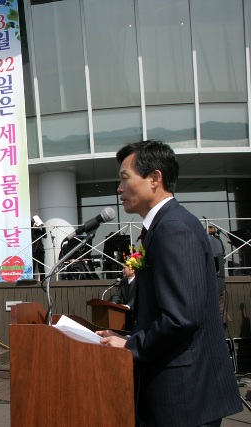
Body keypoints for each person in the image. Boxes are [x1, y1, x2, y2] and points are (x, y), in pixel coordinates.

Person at [97, 140, 241, 426]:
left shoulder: (173, 228)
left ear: (154, 179)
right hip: (183, 393)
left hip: (185, 396)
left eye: (125, 178)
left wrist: (130, 346)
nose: (119, 188)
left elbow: (181, 316)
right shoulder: (165, 225)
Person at [207, 225, 231, 326]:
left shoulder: (211, 243)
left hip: (215, 282)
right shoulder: (217, 242)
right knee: (220, 310)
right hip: (219, 281)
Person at [31, 215, 47, 281]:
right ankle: (33, 280)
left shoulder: (38, 231)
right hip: (33, 251)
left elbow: (45, 235)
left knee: (41, 268)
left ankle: (43, 281)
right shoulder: (31, 231)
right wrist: (32, 227)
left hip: (40, 250)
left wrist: (43, 227)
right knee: (33, 267)